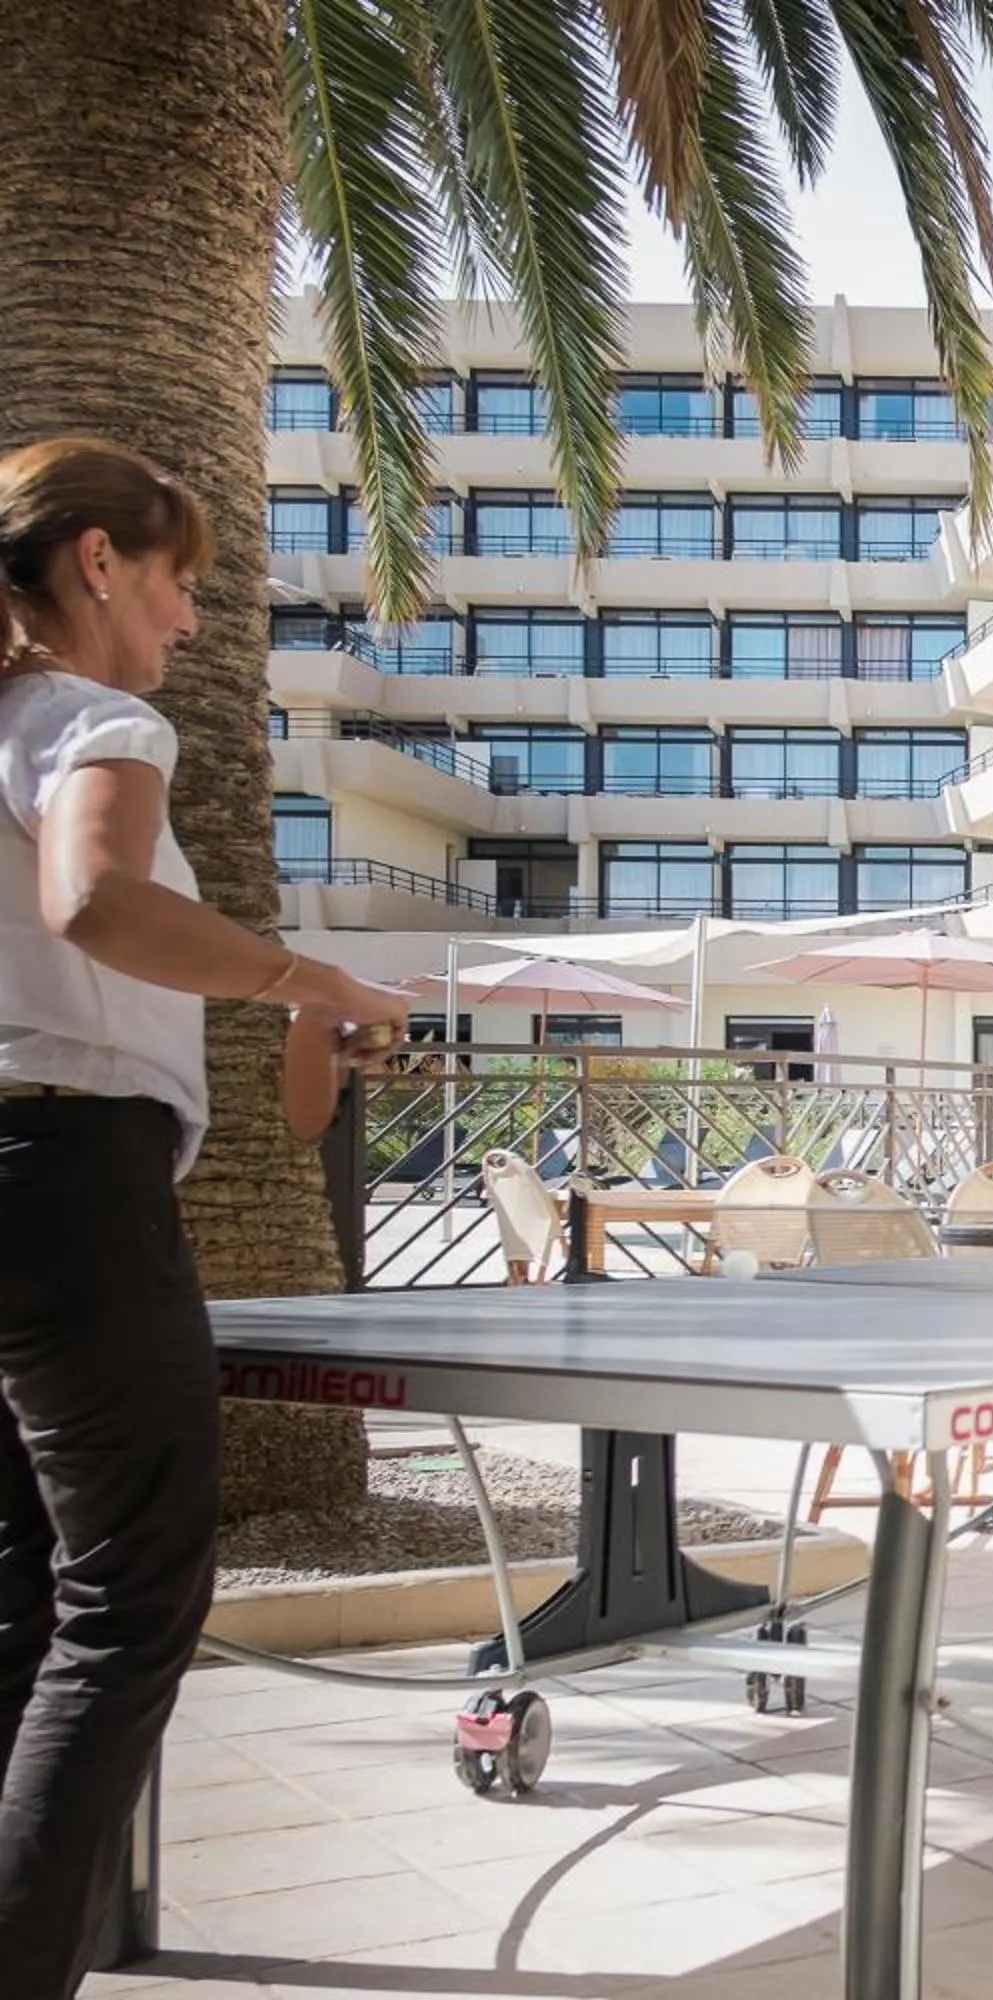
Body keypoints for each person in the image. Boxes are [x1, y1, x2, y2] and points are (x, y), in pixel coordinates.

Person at [0, 437, 408, 1998]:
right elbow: (92, 901)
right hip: (68, 1187)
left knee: (25, 1595)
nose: (183, 623)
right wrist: (312, 976)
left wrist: (288, 1011)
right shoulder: (96, 718)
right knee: (124, 1605)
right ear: (98, 563)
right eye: (175, 584)